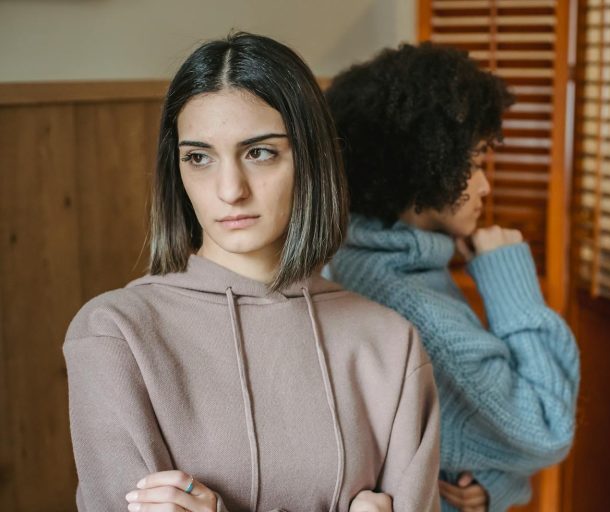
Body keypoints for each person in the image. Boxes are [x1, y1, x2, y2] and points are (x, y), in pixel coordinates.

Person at [64, 33, 440, 512]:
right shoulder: (114, 335)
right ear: (176, 169)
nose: (230, 190)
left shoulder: (391, 344)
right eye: (198, 157)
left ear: (311, 157)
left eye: (259, 152)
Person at [325, 43, 580, 512]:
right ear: (429, 163)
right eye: (477, 163)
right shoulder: (414, 307)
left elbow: (449, 450)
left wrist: (491, 488)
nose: (485, 186)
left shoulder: (348, 258)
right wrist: (510, 278)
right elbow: (546, 428)